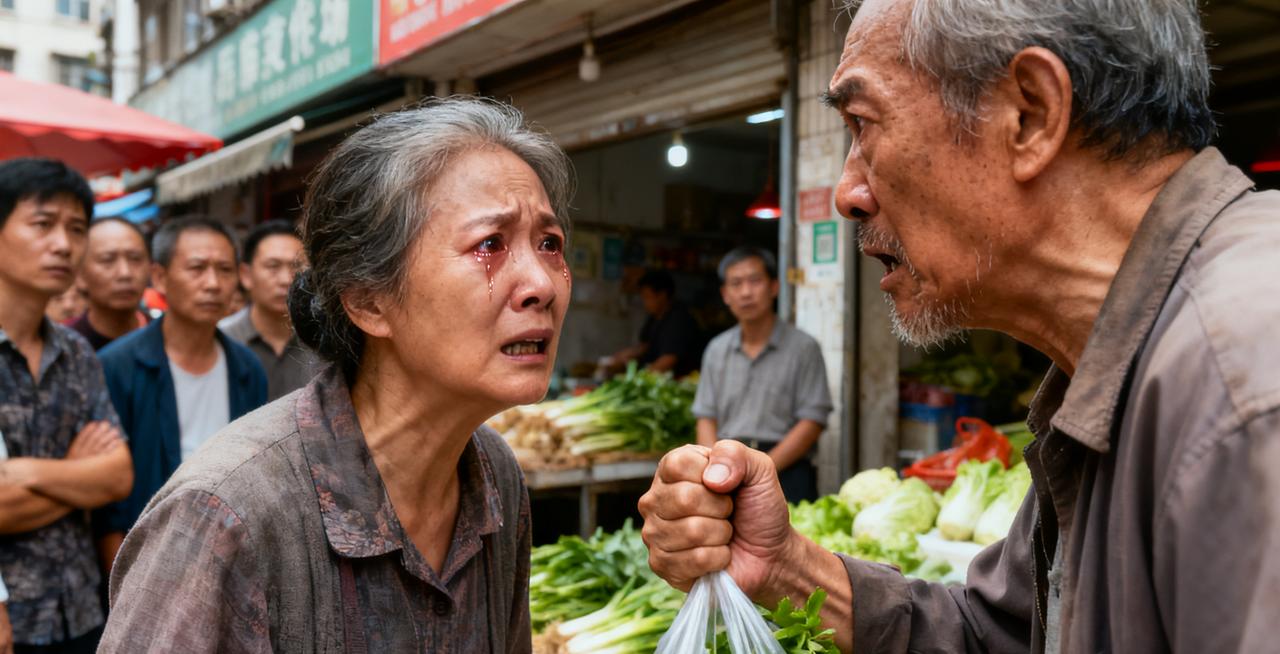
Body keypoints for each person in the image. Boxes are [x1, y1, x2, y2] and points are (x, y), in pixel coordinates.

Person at [638, 1, 1280, 652]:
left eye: (862, 124)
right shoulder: (1120, 366)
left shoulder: (1243, 381)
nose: (847, 193)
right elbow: (996, 635)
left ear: (1028, 114)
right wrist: (783, 567)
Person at [99, 96, 572, 652]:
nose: (542, 282)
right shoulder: (228, 516)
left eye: (549, 243)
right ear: (369, 301)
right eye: (490, 244)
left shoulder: (493, 474)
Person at [0, 158, 133, 653]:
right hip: (10, 620)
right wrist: (77, 475)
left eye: (76, 229)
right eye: (42, 224)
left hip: (80, 612)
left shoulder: (76, 351)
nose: (63, 244)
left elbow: (117, 475)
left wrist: (23, 474)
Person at [94, 217, 267, 571]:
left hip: (228, 548)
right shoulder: (118, 366)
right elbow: (109, 510)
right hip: (147, 550)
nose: (213, 283)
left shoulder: (247, 369)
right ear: (160, 277)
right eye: (197, 268)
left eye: (224, 269)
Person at [693, 247, 832, 502]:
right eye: (736, 283)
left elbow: (812, 421)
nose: (746, 292)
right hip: (727, 471)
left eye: (755, 281)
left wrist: (761, 469)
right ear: (725, 294)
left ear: (774, 287)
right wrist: (716, 469)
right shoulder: (717, 349)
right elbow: (706, 417)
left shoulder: (804, 348)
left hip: (786, 473)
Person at [219, 220, 321, 401]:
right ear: (246, 275)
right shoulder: (223, 339)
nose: (285, 280)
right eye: (273, 266)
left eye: (296, 267)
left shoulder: (322, 343)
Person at [68, 218, 150, 351]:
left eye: (135, 258)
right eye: (108, 260)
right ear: (79, 275)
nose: (125, 273)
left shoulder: (168, 338)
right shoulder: (66, 349)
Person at [606, 270, 702, 377]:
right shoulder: (655, 317)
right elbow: (646, 345)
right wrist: (626, 355)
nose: (644, 302)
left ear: (662, 295)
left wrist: (639, 379)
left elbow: (668, 360)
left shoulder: (679, 320)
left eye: (647, 297)